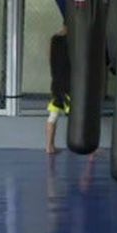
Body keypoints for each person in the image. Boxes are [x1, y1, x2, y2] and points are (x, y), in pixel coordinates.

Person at [45, 25, 70, 154]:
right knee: (81, 115)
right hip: (69, 84)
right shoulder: (74, 41)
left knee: (53, 115)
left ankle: (49, 146)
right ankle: (90, 150)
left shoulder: (54, 39)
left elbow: (50, 57)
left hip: (56, 82)